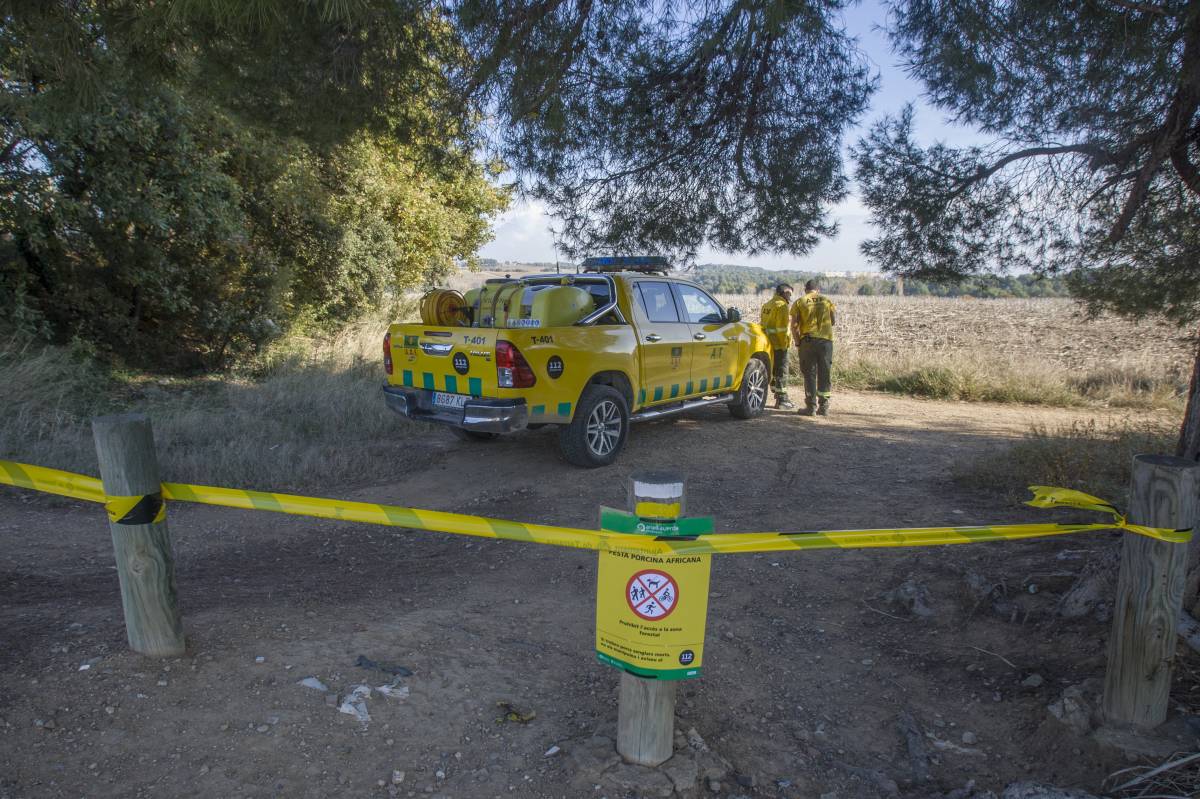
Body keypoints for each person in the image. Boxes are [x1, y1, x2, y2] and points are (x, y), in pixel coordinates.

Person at [790, 278, 836, 416]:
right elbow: (833, 321)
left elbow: (794, 326)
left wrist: (798, 342)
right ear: (818, 290)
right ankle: (824, 406)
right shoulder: (827, 301)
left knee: (809, 374)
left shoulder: (800, 302)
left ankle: (811, 407)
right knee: (825, 373)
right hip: (826, 342)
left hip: (808, 342)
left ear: (805, 290)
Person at [759, 283, 795, 409]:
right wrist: (785, 345)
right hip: (780, 344)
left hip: (767, 343)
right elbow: (783, 329)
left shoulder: (767, 305)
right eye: (789, 293)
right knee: (781, 372)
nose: (790, 296)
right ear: (784, 292)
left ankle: (776, 396)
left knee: (773, 371)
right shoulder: (782, 306)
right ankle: (782, 400)